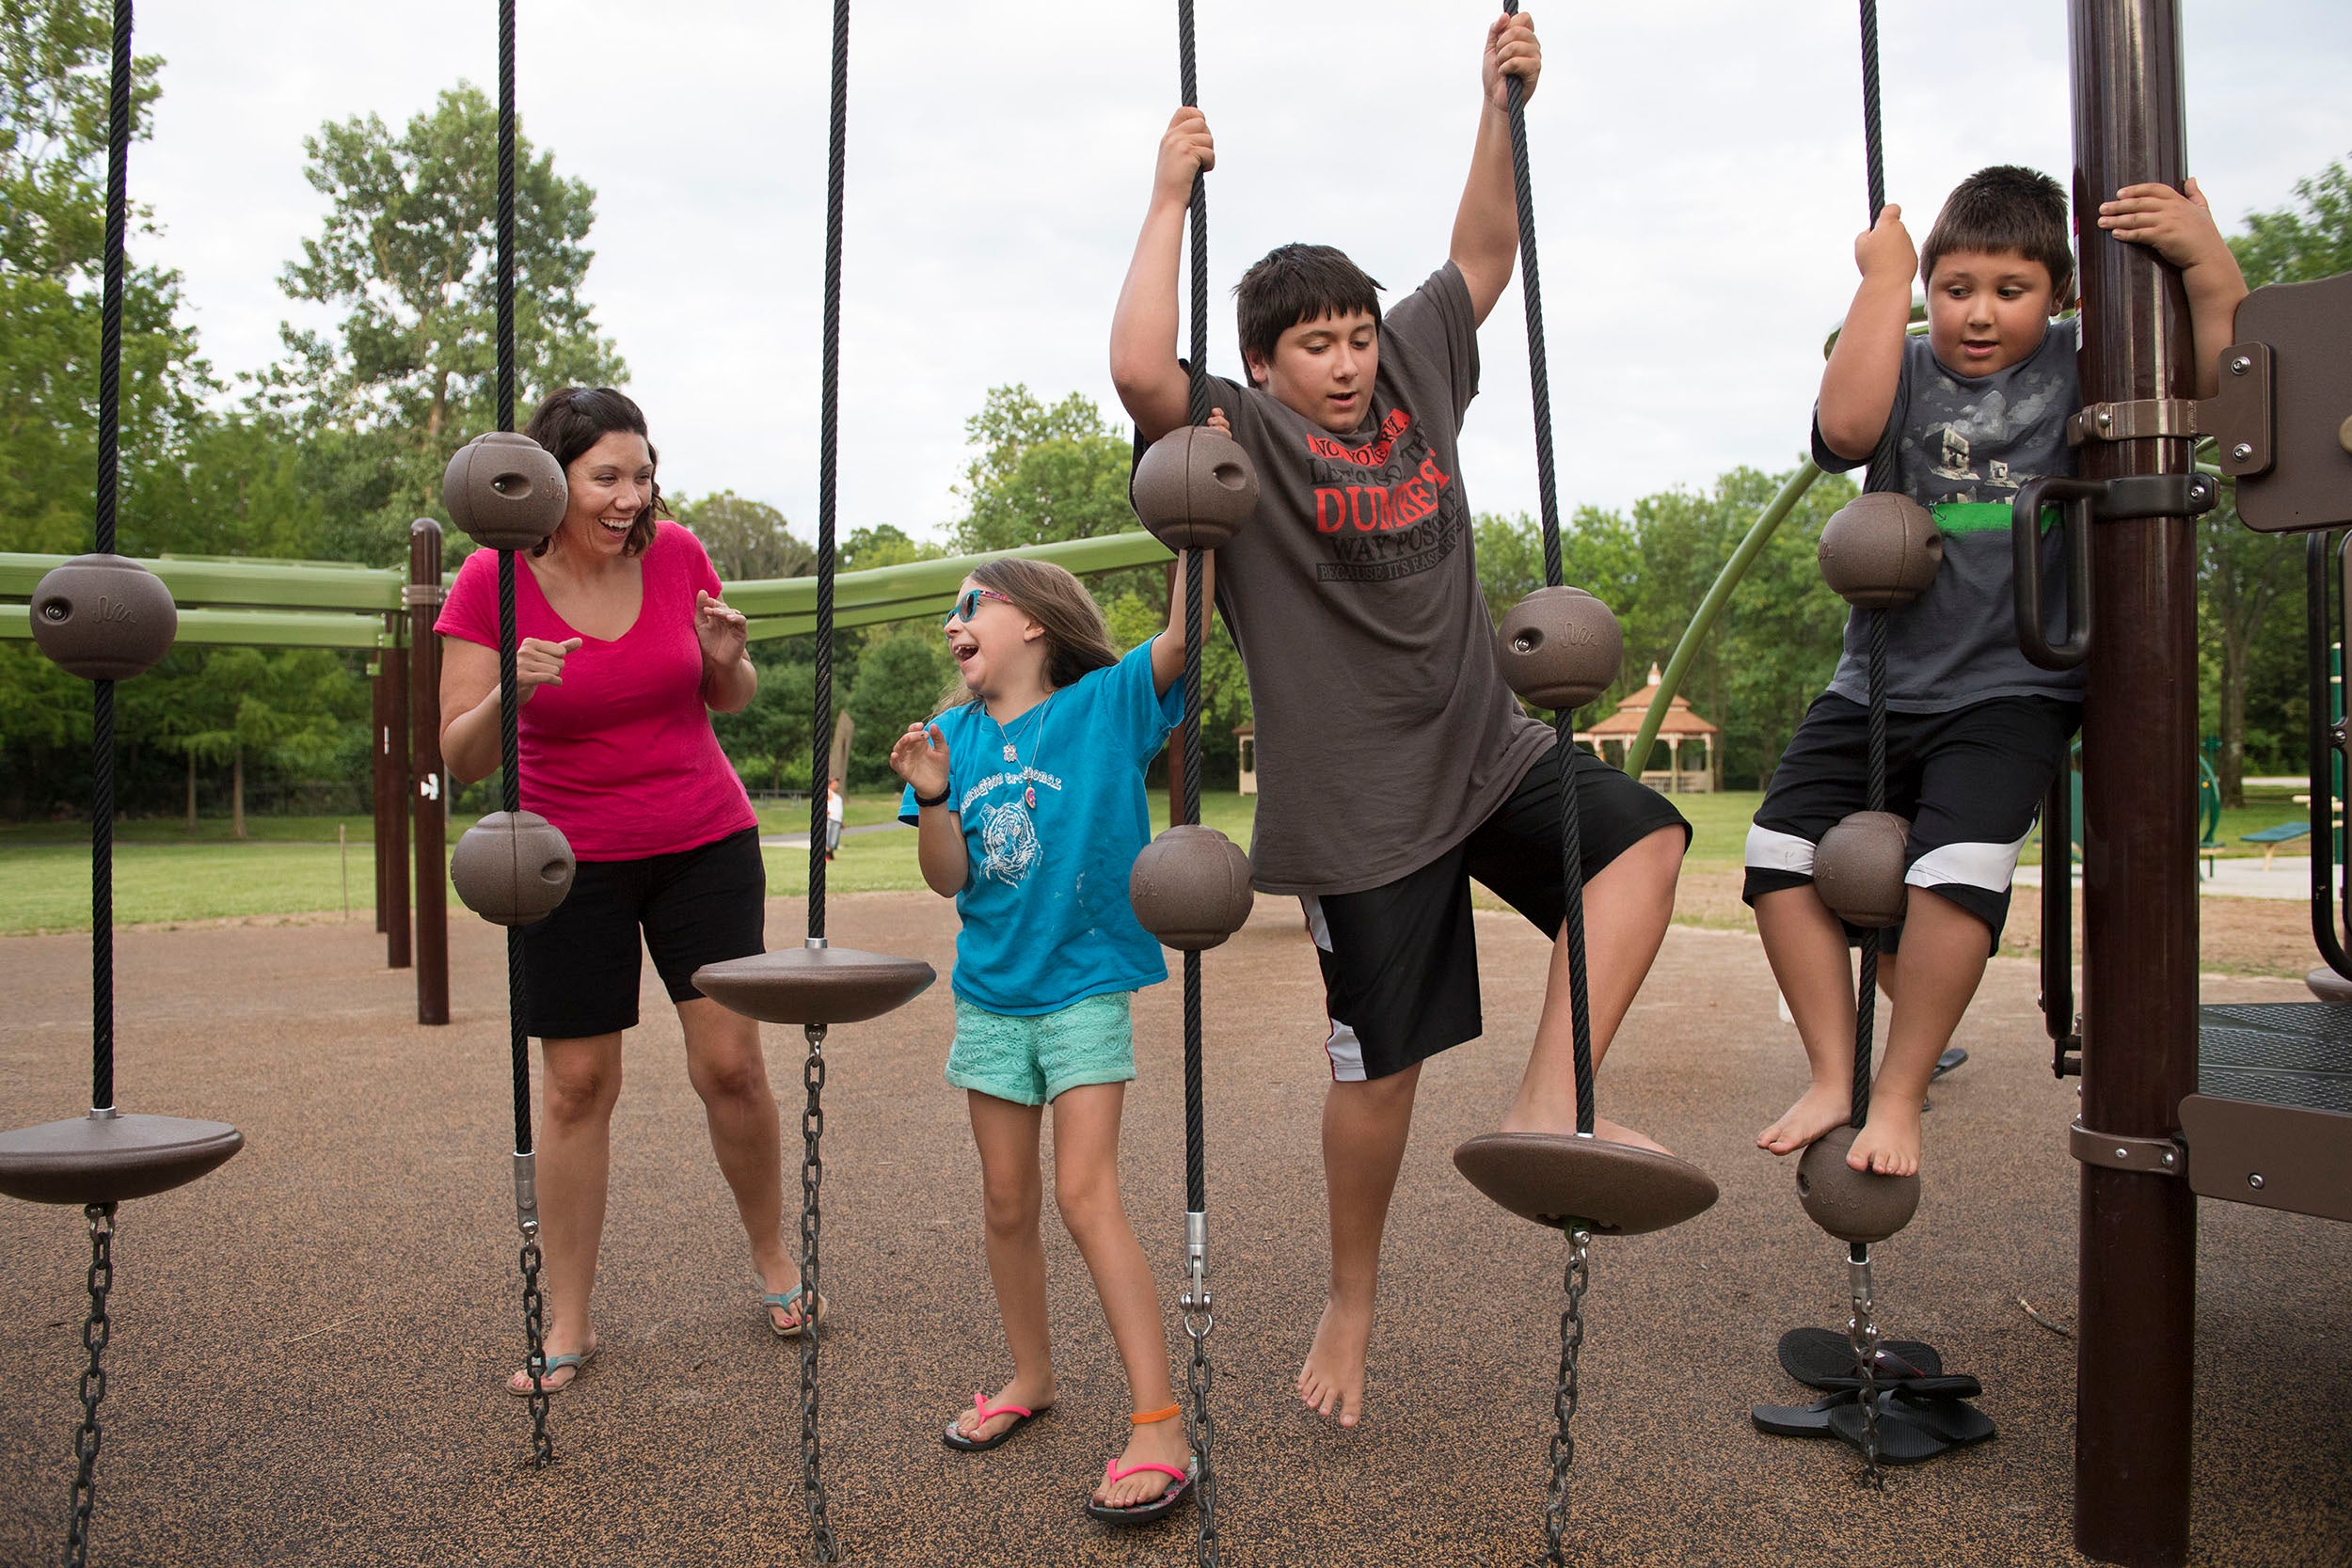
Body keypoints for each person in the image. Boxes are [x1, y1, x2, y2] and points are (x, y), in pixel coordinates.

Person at [1107, 9, 1689, 1432]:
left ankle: (1554, 1095)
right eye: (1319, 345)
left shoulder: (1420, 371)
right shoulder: (1232, 441)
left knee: (1646, 843)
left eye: (1359, 336)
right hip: (1360, 807)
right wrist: (1170, 193)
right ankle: (1351, 1294)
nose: (1352, 362)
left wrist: (1499, 101)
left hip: (1487, 750)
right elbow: (1136, 368)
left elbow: (1483, 255)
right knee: (1383, 1067)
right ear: (1266, 360)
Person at [1748, 168, 2247, 1178]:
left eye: (2009, 289)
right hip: (1877, 681)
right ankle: (1833, 1069)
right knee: (1774, 852)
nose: (1978, 313)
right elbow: (1844, 432)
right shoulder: (1902, 362)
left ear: (2060, 295)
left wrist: (2204, 258)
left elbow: (2219, 386)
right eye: (1955, 287)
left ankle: (1899, 1090)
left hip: (2013, 685)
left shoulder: (2085, 363)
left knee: (1955, 869)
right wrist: (1882, 286)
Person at [437, 386, 815, 1395]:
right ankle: (568, 1316)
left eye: (642, 474)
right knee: (575, 1084)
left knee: (730, 1065)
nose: (631, 496)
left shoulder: (679, 552)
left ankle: (774, 1256)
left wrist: (728, 662)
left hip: (703, 838)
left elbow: (722, 694)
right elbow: (460, 756)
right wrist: (512, 685)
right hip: (562, 858)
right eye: (608, 476)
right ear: (554, 481)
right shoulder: (491, 578)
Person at [890, 553, 1199, 1522]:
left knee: (1082, 1189)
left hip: (1084, 984)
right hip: (991, 994)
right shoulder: (950, 736)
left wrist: (1194, 511)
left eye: (969, 605)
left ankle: (1159, 1418)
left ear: (1033, 622)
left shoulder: (1105, 706)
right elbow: (948, 879)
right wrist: (936, 795)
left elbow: (1185, 637)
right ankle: (1031, 1376)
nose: (952, 624)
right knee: (1005, 1196)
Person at [825, 777, 844, 862]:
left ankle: (830, 855)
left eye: (837, 784)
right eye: (835, 784)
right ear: (830, 785)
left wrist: (841, 822)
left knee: (834, 840)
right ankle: (826, 855)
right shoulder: (828, 793)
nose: (837, 786)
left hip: (837, 820)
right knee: (828, 838)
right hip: (830, 819)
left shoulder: (837, 796)